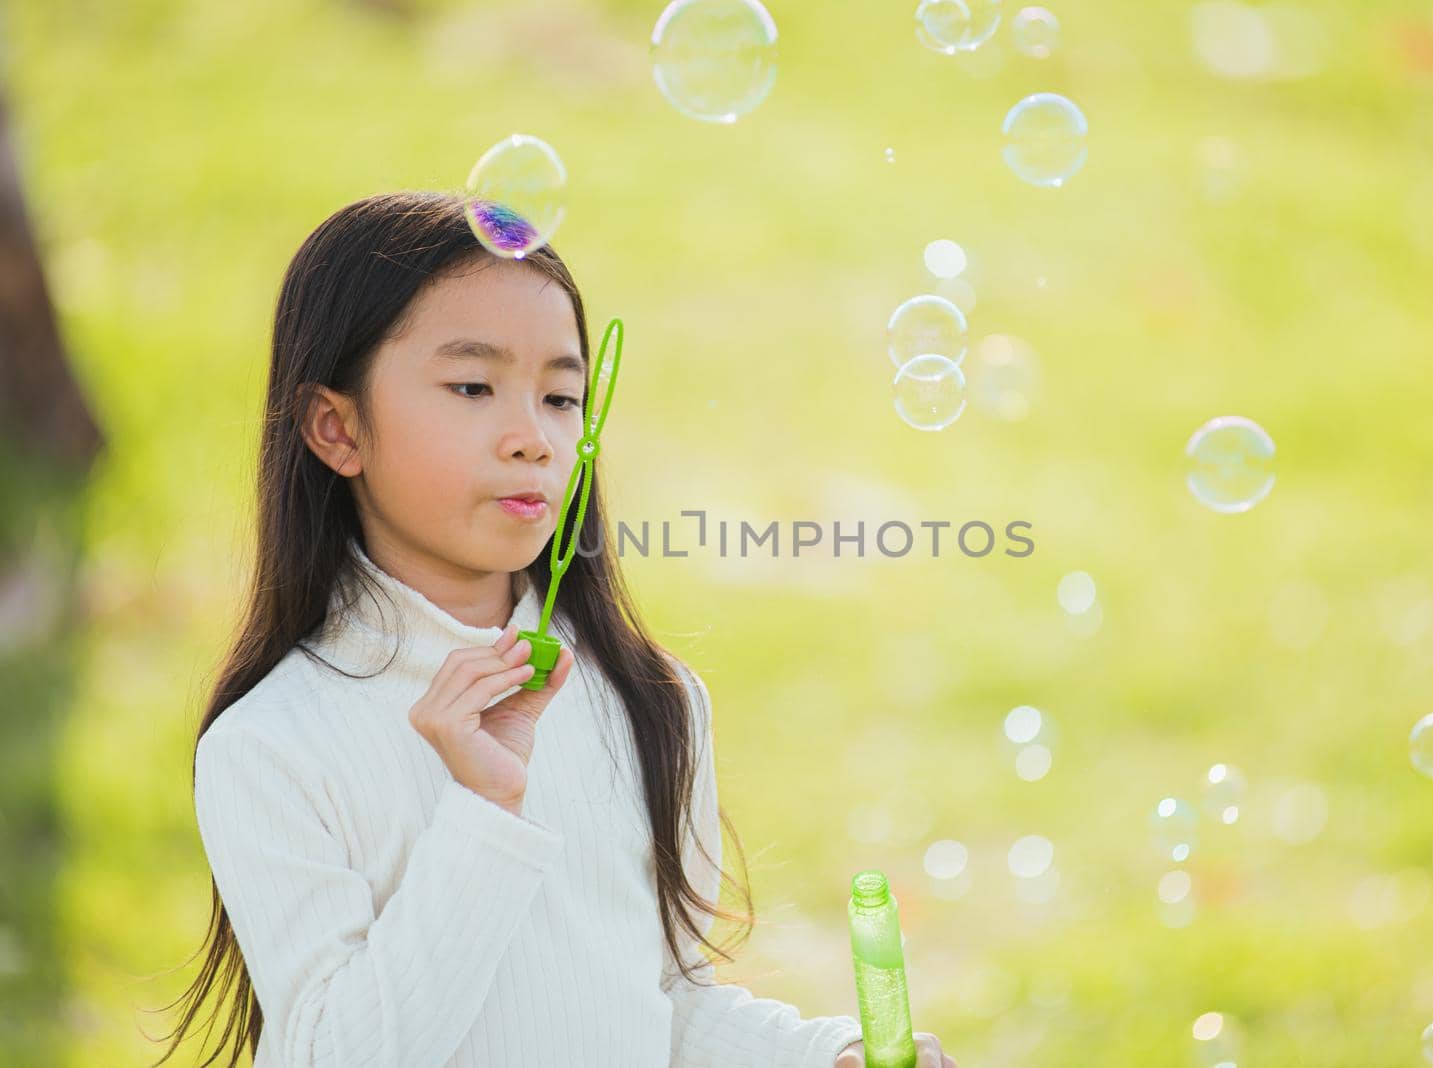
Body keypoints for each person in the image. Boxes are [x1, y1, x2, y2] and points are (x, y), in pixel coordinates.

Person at [150, 190, 956, 1068]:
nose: (533, 437)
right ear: (338, 428)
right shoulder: (273, 745)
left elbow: (662, 1012)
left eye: (562, 397)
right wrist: (484, 814)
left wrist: (821, 1058)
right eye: (472, 386)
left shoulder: (650, 699)